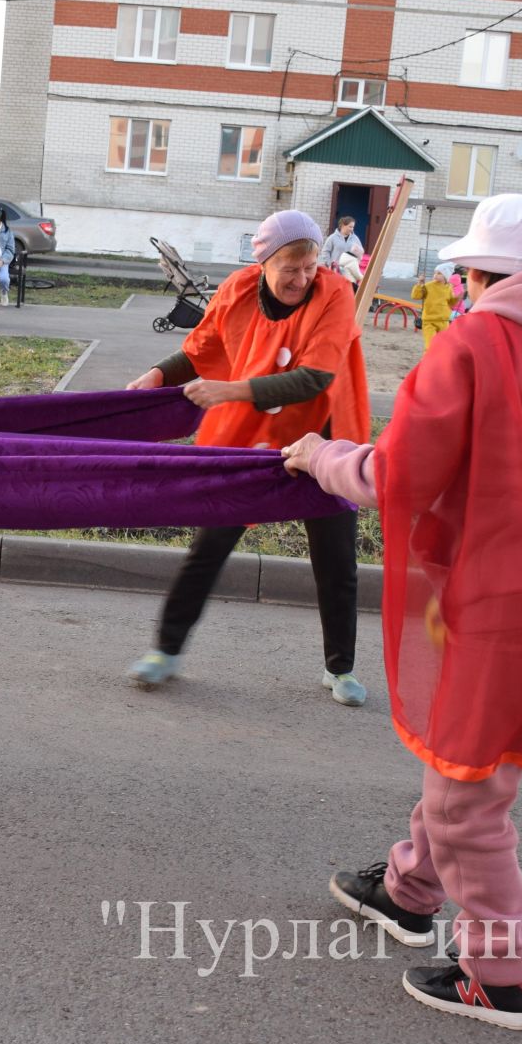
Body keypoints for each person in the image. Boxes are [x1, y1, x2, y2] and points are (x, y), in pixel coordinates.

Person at [288, 194, 522, 1030]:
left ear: (481, 275)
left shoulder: (479, 339)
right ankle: (411, 889)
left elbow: (403, 472)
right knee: (476, 752)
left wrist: (320, 456)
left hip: (516, 592)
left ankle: (500, 971)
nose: (462, 289)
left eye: (467, 275)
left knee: (465, 792)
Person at [124, 210, 372, 707]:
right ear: (264, 264)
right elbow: (202, 349)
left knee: (335, 556)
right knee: (210, 544)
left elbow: (315, 378)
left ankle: (339, 667)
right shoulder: (238, 290)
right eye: (291, 270)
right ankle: (166, 650)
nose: (303, 279)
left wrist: (229, 390)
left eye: (309, 267)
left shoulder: (335, 294)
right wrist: (157, 374)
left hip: (322, 438)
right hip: (252, 436)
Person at [410, 267, 455, 348]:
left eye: (439, 273)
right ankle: (428, 360)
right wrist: (419, 284)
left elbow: (451, 302)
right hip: (429, 320)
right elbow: (415, 296)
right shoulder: (428, 286)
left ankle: (440, 360)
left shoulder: (449, 287)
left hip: (443, 321)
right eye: (435, 273)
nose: (435, 275)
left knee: (443, 345)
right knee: (430, 346)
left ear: (445, 276)